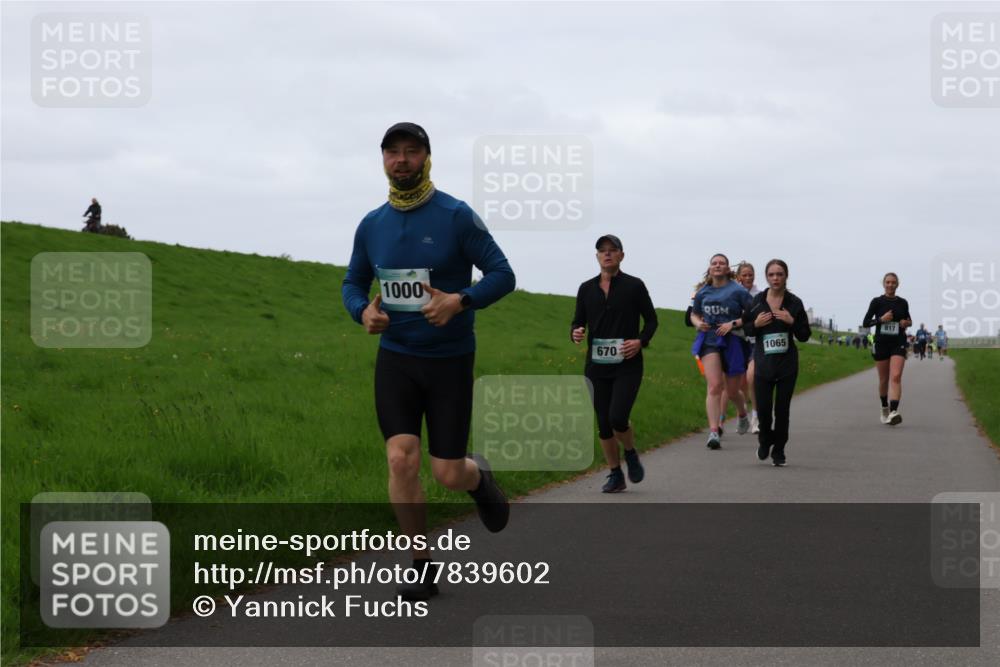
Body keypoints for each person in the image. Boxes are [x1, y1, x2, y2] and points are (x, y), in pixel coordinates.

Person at [342, 122, 516, 601]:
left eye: (411, 152)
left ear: (427, 157)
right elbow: (352, 282)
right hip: (397, 358)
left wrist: (460, 300)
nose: (401, 160)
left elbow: (503, 274)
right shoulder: (372, 224)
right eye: (392, 153)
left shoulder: (456, 216)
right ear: (383, 160)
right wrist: (364, 311)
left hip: (449, 361)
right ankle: (420, 565)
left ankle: (476, 477)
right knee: (400, 459)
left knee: (446, 473)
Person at [571, 235, 658, 493]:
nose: (607, 254)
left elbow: (652, 321)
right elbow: (578, 321)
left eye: (612, 250)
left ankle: (630, 452)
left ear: (621, 255)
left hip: (627, 363)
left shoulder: (634, 286)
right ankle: (615, 474)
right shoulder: (586, 288)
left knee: (618, 416)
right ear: (597, 256)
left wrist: (639, 341)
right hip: (596, 365)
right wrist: (575, 331)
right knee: (603, 422)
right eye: (602, 251)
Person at [742, 259, 811, 466]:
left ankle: (779, 450)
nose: (775, 278)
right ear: (766, 277)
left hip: (787, 365)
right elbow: (746, 329)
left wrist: (792, 321)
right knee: (764, 410)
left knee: (782, 410)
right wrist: (755, 324)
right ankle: (765, 441)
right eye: (771, 274)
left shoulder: (794, 303)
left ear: (786, 276)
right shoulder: (756, 302)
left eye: (779, 274)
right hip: (763, 364)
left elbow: (805, 334)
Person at [690, 253, 752, 450]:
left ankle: (742, 413)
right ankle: (714, 431)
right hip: (709, 340)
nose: (717, 266)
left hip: (733, 340)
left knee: (733, 391)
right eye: (714, 263)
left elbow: (752, 314)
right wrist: (698, 323)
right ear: (709, 268)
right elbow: (694, 313)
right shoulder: (703, 292)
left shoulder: (738, 291)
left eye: (722, 263)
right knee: (715, 385)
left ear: (727, 269)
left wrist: (732, 323)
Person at [862, 272, 911, 426]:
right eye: (888, 282)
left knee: (895, 376)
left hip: (898, 342)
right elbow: (865, 322)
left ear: (897, 284)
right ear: (884, 284)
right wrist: (881, 320)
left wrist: (905, 323)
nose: (890, 285)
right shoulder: (877, 302)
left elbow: (909, 320)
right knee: (884, 380)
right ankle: (884, 406)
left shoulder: (903, 303)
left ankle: (893, 412)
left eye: (893, 282)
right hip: (882, 343)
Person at [735, 261, 759, 434]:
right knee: (741, 383)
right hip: (738, 341)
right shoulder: (732, 294)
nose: (748, 278)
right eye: (744, 275)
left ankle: (756, 418)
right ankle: (742, 416)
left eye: (751, 274)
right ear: (738, 277)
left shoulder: (760, 295)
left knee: (752, 378)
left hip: (755, 342)